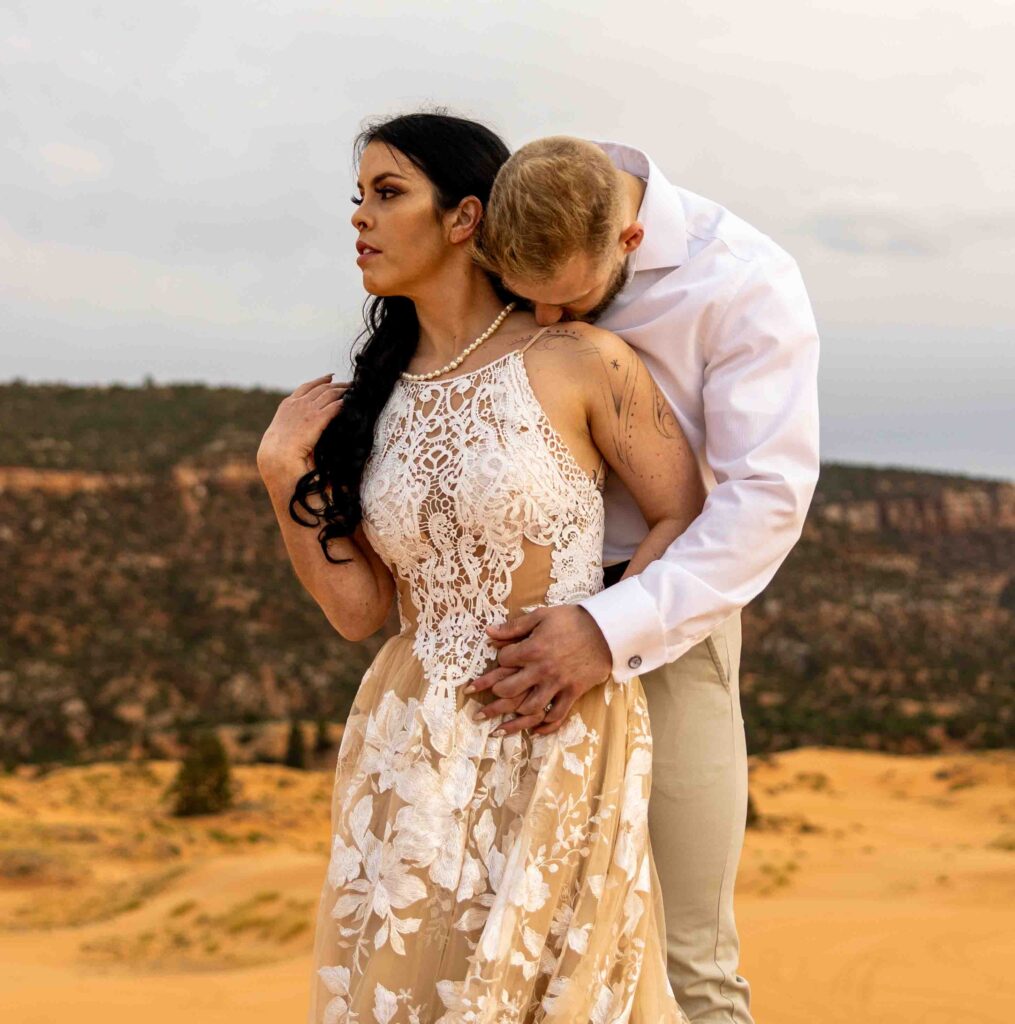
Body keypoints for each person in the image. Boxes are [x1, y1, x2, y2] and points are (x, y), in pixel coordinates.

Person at [256, 112, 706, 1023]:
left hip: (558, 724)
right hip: (409, 740)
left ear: (466, 217)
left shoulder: (579, 359)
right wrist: (281, 473)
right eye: (360, 197)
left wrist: (609, 636)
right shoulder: (365, 403)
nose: (360, 219)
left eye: (388, 195)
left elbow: (684, 512)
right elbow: (357, 612)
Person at [466, 136, 821, 1023]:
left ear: (627, 239)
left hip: (664, 624)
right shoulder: (523, 214)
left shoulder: (743, 280)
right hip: (497, 637)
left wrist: (606, 628)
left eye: (570, 300)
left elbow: (765, 502)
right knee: (507, 944)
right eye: (524, 299)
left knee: (682, 961)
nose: (546, 325)